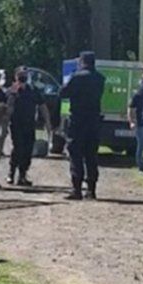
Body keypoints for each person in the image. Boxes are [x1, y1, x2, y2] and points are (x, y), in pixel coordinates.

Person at [60, 50, 105, 200]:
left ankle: (77, 189)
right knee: (91, 155)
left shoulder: (76, 77)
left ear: (82, 62)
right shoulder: (100, 78)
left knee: (76, 153)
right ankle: (91, 190)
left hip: (78, 120)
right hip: (93, 121)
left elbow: (63, 93)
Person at [7, 66, 49, 186]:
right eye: (20, 74)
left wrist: (47, 122)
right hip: (16, 124)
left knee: (28, 150)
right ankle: (11, 173)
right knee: (18, 148)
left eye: (25, 74)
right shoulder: (11, 91)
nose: (23, 77)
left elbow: (42, 106)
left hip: (30, 124)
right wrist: (13, 94)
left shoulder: (33, 90)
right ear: (15, 76)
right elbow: (7, 108)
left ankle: (22, 175)